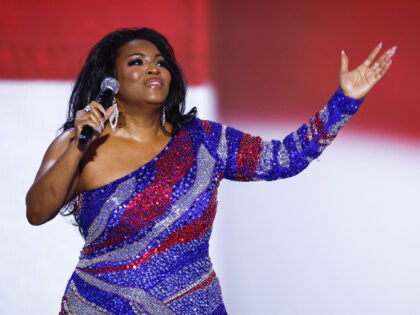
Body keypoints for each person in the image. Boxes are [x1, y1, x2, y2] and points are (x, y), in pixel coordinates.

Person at [26, 27, 395, 314]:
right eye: (136, 61)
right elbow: (37, 211)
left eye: (160, 61)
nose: (154, 67)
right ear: (112, 81)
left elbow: (284, 158)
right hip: (97, 306)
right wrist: (81, 144)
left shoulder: (204, 141)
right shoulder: (76, 143)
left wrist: (344, 101)